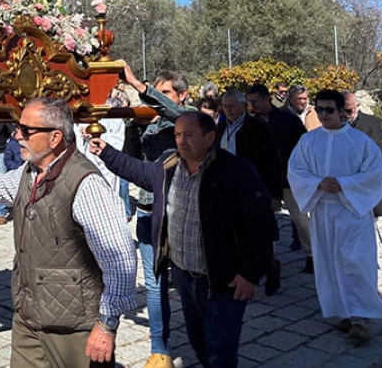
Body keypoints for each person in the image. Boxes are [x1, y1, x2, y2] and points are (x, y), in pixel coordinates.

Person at [0, 97, 137, 368]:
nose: (17, 135)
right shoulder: (30, 171)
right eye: (18, 128)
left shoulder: (86, 184)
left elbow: (120, 259)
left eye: (26, 131)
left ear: (55, 138)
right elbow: (1, 186)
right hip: (29, 318)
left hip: (74, 327)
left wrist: (106, 324)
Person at [93, 111, 275, 368]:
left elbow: (262, 226)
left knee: (220, 351)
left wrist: (250, 274)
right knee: (199, 340)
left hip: (223, 282)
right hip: (184, 276)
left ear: (210, 137)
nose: (181, 141)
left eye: (189, 135)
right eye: (178, 135)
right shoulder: (169, 164)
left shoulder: (236, 171)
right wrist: (106, 152)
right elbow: (138, 171)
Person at [287, 89, 382, 345]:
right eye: (319, 109)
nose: (323, 115)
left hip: (353, 212)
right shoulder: (308, 142)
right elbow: (296, 171)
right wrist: (318, 184)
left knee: (356, 262)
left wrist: (343, 184)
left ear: (341, 111)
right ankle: (343, 311)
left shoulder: (360, 142)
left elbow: (374, 175)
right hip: (323, 211)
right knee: (330, 262)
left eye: (329, 110)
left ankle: (362, 317)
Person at [119, 61, 190, 368]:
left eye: (164, 93)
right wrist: (130, 128)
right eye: (156, 93)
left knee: (190, 282)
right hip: (149, 211)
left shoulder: (189, 120)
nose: (156, 99)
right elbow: (135, 165)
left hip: (182, 214)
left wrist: (139, 86)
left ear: (182, 95)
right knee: (155, 284)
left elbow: (177, 116)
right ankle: (160, 348)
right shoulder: (150, 123)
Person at [217, 90, 283, 295]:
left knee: (258, 234)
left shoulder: (258, 128)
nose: (229, 110)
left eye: (232, 106)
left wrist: (275, 194)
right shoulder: (220, 128)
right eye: (225, 107)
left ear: (243, 105)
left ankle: (270, 266)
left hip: (253, 189)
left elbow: (273, 161)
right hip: (226, 190)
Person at [245, 84, 311, 271]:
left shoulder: (287, 120)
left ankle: (313, 255)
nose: (252, 106)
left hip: (288, 178)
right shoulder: (249, 123)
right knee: (262, 222)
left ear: (267, 98)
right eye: (249, 102)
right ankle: (268, 259)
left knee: (300, 219)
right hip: (262, 180)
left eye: (255, 101)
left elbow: (303, 146)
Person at [343, 91, 382, 218]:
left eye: (349, 110)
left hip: (365, 181)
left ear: (357, 106)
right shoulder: (336, 123)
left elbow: (377, 154)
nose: (346, 115)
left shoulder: (371, 123)